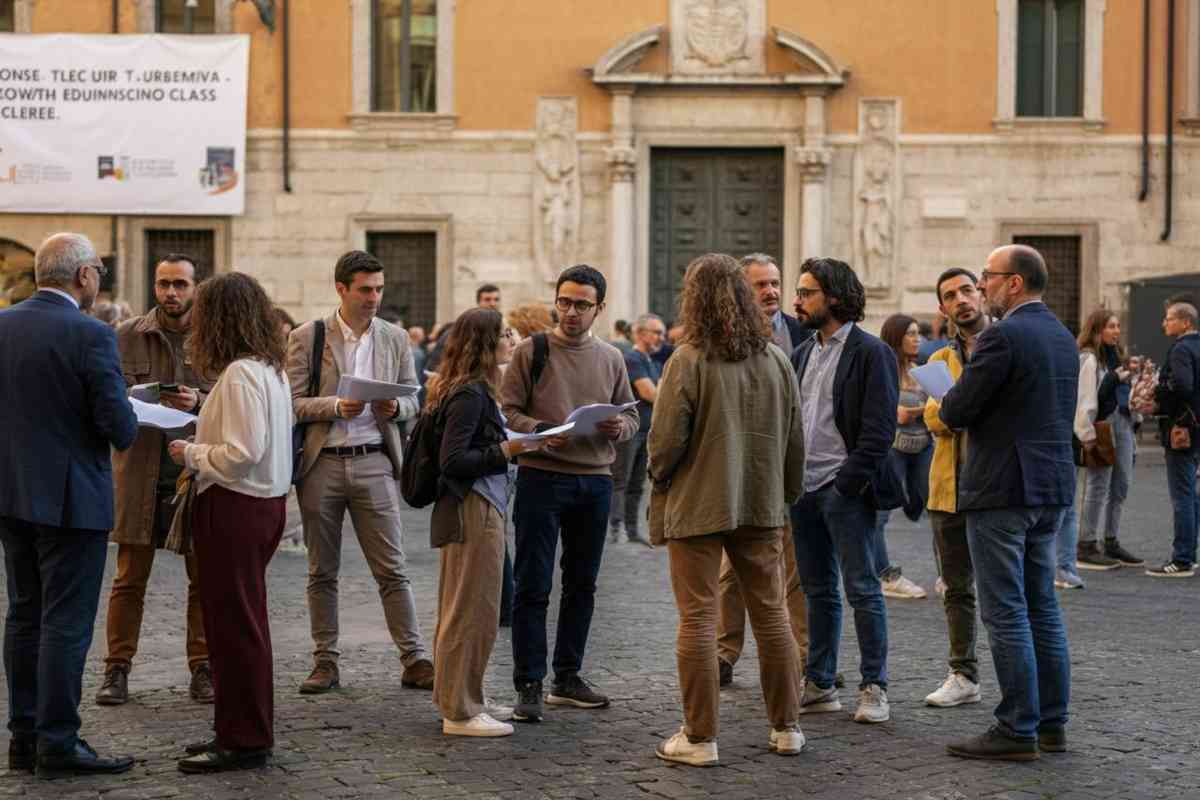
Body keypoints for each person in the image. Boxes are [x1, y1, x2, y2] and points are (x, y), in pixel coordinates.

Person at [648, 253, 806, 767]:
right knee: (772, 612)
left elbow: (666, 440)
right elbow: (795, 441)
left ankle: (699, 737)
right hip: (762, 502)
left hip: (699, 501)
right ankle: (787, 728)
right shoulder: (776, 358)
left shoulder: (688, 359)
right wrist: (786, 493)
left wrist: (659, 475)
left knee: (697, 616)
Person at [0, 233, 138, 778]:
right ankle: (58, 742)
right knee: (66, 623)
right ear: (83, 276)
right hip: (72, 501)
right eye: (97, 273)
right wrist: (130, 406)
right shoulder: (92, 335)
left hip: (11, 494)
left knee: (24, 615)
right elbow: (119, 428)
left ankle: (23, 737)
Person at [940, 244, 1074, 761]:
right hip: (1050, 488)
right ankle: (1052, 723)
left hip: (1002, 489)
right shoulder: (1061, 335)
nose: (984, 285)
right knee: (1043, 606)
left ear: (1013, 283)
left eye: (988, 277)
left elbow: (957, 408)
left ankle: (1017, 727)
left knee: (1007, 611)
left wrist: (952, 392)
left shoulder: (1002, 336)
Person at [287, 250, 433, 693]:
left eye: (379, 289)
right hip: (322, 464)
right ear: (342, 289)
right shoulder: (308, 336)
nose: (374, 297)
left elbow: (414, 399)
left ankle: (415, 658)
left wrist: (397, 406)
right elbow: (289, 403)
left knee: (392, 568)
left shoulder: (394, 338)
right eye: (365, 290)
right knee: (321, 571)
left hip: (375, 461)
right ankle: (325, 661)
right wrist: (334, 406)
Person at [500, 264, 639, 722]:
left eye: (581, 304)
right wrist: (540, 431)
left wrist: (620, 427)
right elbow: (509, 412)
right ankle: (529, 683)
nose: (571, 312)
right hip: (542, 476)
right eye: (564, 302)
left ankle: (567, 676)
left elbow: (631, 417)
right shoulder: (531, 350)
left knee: (582, 584)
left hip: (594, 481)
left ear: (599, 308)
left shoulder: (612, 358)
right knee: (533, 584)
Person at [168, 272, 294, 773]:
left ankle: (242, 738)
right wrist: (203, 411)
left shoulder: (243, 372)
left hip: (238, 504)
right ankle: (238, 728)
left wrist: (191, 452)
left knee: (234, 626)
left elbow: (242, 452)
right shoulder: (269, 369)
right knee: (240, 623)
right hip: (261, 503)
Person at [97, 254, 215, 708]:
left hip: (195, 474)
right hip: (139, 473)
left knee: (202, 579)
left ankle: (202, 667)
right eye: (164, 284)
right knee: (129, 580)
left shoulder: (211, 338)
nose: (171, 293)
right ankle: (116, 668)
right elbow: (104, 398)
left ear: (195, 288)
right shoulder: (125, 337)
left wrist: (200, 399)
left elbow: (230, 395)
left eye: (180, 284)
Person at [790, 257, 900, 725]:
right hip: (803, 489)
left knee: (862, 589)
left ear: (833, 297)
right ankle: (820, 681)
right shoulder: (801, 352)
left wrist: (846, 485)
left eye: (806, 292)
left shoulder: (871, 352)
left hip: (845, 489)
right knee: (818, 591)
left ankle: (874, 685)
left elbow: (879, 430)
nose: (798, 301)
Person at [426, 309, 545, 737]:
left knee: (466, 607)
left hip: (478, 505)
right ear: (485, 342)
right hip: (472, 507)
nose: (513, 340)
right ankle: (460, 711)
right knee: (471, 610)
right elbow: (454, 461)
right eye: (505, 334)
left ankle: (461, 696)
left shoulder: (472, 387)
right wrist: (509, 450)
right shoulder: (471, 393)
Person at [716, 253, 811, 688]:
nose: (771, 292)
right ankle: (723, 653)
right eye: (760, 285)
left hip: (790, 468)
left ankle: (804, 656)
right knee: (731, 572)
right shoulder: (720, 340)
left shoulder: (803, 334)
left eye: (775, 283)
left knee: (797, 568)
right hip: (739, 470)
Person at [921, 268, 988, 708]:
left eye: (967, 290)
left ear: (981, 293)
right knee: (957, 587)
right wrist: (959, 410)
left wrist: (957, 407)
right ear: (943, 309)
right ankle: (963, 673)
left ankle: (1023, 678)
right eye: (951, 295)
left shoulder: (1006, 346)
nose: (961, 299)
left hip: (996, 489)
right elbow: (934, 418)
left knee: (1009, 589)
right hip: (948, 489)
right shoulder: (938, 362)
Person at [1074, 310, 1142, 570]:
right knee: (1098, 485)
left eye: (1117, 326)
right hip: (1101, 425)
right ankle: (1086, 543)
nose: (1116, 331)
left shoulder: (1117, 357)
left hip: (1123, 423)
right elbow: (1087, 398)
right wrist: (1086, 433)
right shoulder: (1089, 359)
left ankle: (1111, 539)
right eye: (1111, 326)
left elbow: (1123, 393)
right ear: (1097, 330)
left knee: (1121, 483)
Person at [871, 314, 931, 600]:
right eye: (910, 333)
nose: (917, 338)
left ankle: (949, 574)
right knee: (879, 515)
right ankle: (885, 575)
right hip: (892, 449)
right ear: (896, 338)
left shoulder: (921, 372)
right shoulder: (885, 371)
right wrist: (920, 411)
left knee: (923, 501)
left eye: (918, 333)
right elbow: (895, 414)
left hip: (921, 448)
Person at [1140, 301, 1200, 577]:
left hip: (1181, 430)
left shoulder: (1181, 349)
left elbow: (1183, 385)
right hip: (1196, 429)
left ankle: (1182, 559)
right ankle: (1190, 553)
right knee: (1192, 494)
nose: (1164, 323)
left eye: (1169, 319)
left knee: (1182, 495)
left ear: (1185, 322)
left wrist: (1159, 394)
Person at [609, 313, 665, 545]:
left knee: (637, 483)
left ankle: (632, 530)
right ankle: (616, 528)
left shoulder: (652, 361)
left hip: (647, 430)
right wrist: (663, 390)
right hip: (631, 429)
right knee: (621, 479)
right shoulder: (633, 358)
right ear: (641, 334)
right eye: (656, 332)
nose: (661, 338)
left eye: (661, 333)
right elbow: (650, 393)